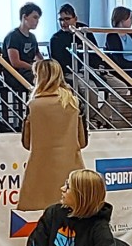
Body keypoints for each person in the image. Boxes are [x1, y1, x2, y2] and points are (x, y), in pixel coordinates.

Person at [15, 58, 87, 219]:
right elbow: (82, 142)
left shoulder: (33, 105)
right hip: (71, 169)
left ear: (39, 77)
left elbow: (27, 143)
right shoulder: (73, 103)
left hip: (40, 171)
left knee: (43, 218)